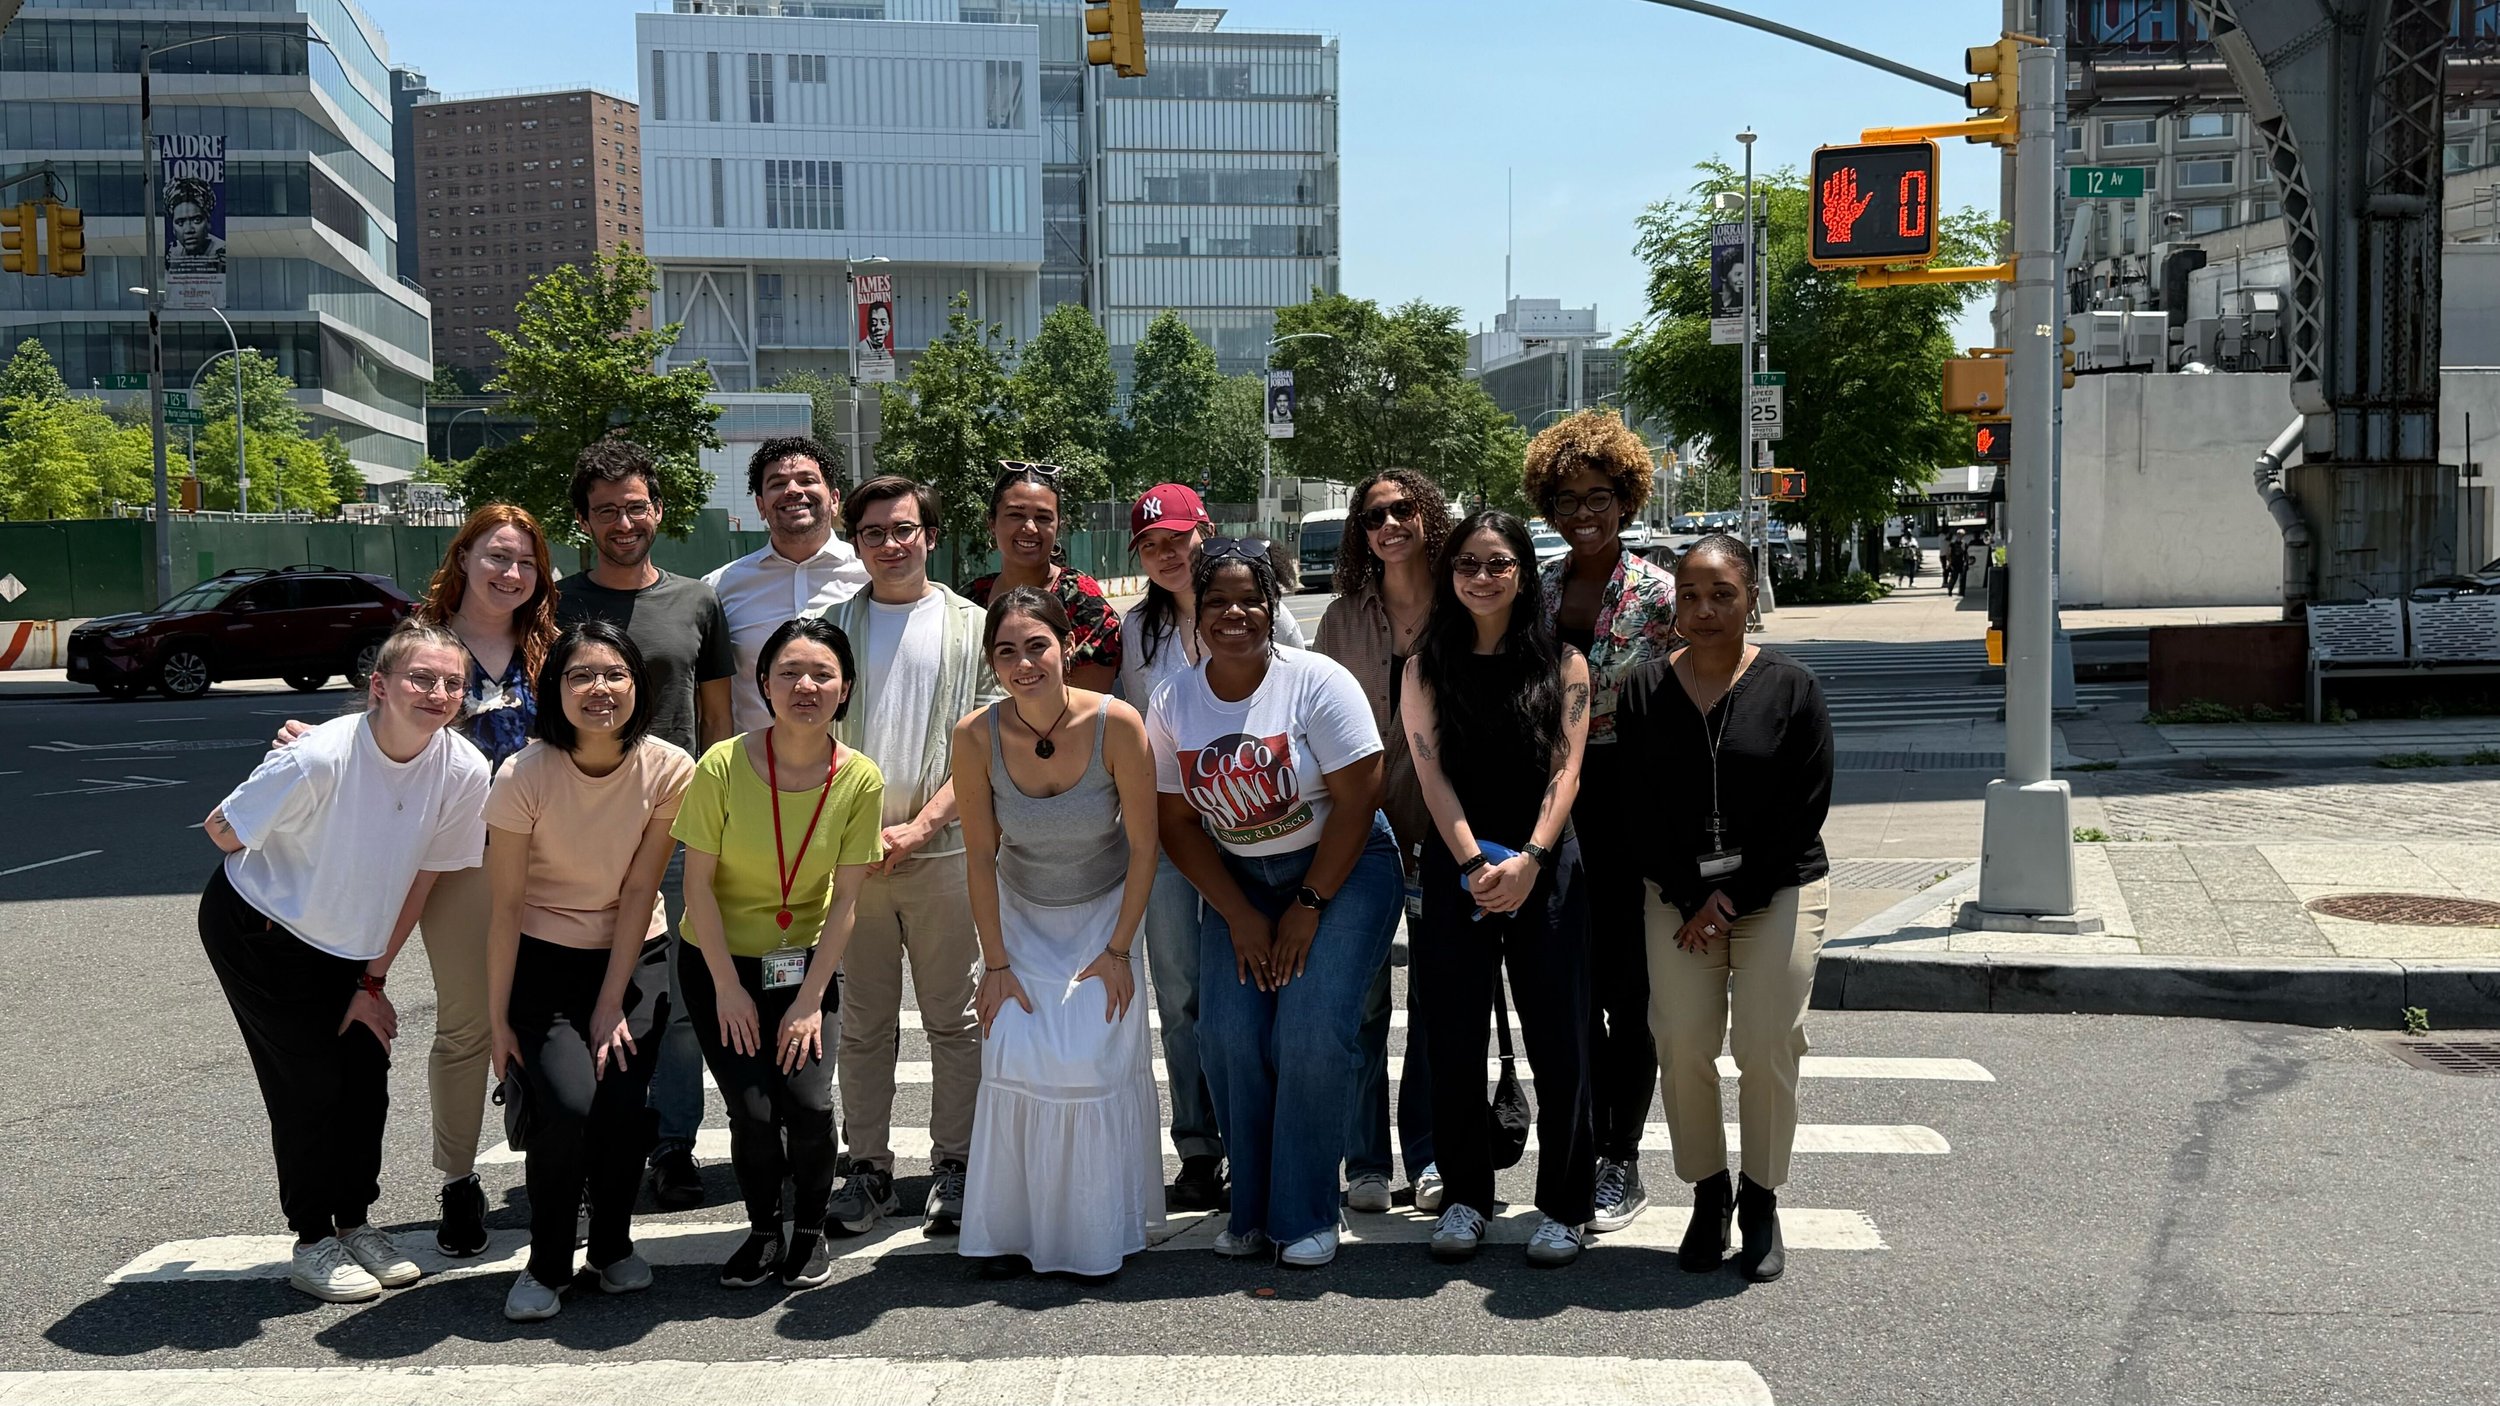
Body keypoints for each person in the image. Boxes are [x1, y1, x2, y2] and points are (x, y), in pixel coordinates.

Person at [278, 504, 561, 1257]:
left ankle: (560, 1163)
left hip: (549, 854)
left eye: (526, 562)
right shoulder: (426, 641)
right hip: (455, 856)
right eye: (496, 555)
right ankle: (459, 1179)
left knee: (550, 1013)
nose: (511, 573)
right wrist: (312, 737)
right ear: (463, 557)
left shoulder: (550, 648)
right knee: (468, 1019)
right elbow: (374, 724)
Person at [199, 621, 489, 1302]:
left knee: (364, 1073)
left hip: (349, 943)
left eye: (453, 683)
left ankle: (355, 1223)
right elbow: (221, 830)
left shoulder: (463, 770)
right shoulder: (320, 755)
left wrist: (371, 981)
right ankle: (312, 1239)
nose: (438, 693)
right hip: (262, 930)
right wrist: (288, 837)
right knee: (307, 1083)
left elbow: (422, 880)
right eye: (422, 678)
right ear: (379, 686)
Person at [1146, 538, 1403, 1268]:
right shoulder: (1173, 701)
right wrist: (1239, 914)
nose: (1234, 613)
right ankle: (1253, 1211)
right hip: (1241, 883)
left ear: (1272, 606)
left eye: (1250, 600)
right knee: (1228, 1037)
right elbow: (1176, 823)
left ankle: (1306, 1213)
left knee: (1310, 1032)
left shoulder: (1316, 682)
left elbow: (1360, 797)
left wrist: (1309, 904)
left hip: (1344, 871)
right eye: (1217, 600)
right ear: (1197, 611)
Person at [1616, 534, 1834, 1283]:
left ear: (1750, 598)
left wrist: (1731, 899)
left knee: (1767, 1042)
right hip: (1678, 897)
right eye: (1690, 595)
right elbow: (1636, 807)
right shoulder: (1644, 689)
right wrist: (1693, 896)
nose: (1704, 609)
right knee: (1680, 1040)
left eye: (1722, 594)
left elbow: (1805, 809)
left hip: (1779, 887)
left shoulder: (1792, 687)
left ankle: (1760, 1200)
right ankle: (1708, 1194)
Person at [483, 623, 695, 1320]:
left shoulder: (670, 768)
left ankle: (610, 1247)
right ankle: (546, 1264)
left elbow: (640, 890)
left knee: (622, 1109)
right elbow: (505, 906)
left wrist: (611, 1002)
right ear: (556, 690)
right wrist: (497, 1022)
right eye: (580, 676)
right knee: (567, 1107)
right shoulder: (523, 774)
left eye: (614, 675)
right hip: (543, 961)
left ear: (638, 685)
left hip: (635, 957)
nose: (599, 689)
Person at [1402, 511, 1596, 1267]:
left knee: (1561, 1039)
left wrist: (1530, 861)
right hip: (1459, 867)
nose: (1481, 578)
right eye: (1467, 564)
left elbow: (1566, 770)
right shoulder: (1426, 666)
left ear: (1523, 572)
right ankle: (1464, 1196)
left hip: (1545, 866)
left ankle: (1567, 1206)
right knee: (1451, 1039)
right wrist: (1473, 866)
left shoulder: (1564, 663)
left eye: (1498, 564)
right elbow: (1430, 774)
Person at [952, 588, 1164, 1278]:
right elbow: (978, 858)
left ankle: (1093, 1235)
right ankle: (1011, 1233)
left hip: (1106, 913)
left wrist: (1119, 951)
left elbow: (1145, 848)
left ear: (1066, 647)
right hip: (1019, 914)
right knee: (1014, 1054)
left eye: (1037, 645)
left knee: (1090, 1063)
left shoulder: (1117, 723)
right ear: (992, 663)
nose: (1024, 663)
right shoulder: (974, 736)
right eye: (1006, 652)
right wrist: (995, 964)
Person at [554, 438, 737, 1213]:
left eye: (635, 506)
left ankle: (673, 1145)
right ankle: (588, 1141)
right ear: (583, 520)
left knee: (678, 999)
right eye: (606, 510)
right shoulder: (556, 604)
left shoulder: (697, 603)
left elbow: (718, 723)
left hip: (678, 823)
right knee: (581, 987)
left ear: (659, 510)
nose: (623, 522)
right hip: (576, 827)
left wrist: (720, 820)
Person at [819, 475, 1004, 1236]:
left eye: (904, 529)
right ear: (855, 543)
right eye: (873, 533)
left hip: (945, 853)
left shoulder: (973, 626)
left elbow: (989, 740)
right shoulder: (830, 626)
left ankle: (956, 1166)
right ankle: (866, 1169)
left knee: (954, 1019)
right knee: (863, 1025)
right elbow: (807, 735)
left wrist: (922, 826)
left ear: (930, 534)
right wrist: (858, 835)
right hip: (854, 860)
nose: (890, 544)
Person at [674, 617, 883, 1290]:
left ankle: (811, 1230)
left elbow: (846, 902)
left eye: (822, 674)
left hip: (806, 963)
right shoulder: (721, 765)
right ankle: (765, 1230)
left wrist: (810, 1001)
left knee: (811, 1106)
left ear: (845, 688)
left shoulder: (860, 779)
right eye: (789, 672)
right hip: (718, 962)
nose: (805, 686)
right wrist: (727, 988)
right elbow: (697, 888)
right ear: (764, 683)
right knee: (755, 1112)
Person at [1117, 483, 1306, 1212]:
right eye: (1151, 546)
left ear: (1205, 532)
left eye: (1177, 539)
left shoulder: (1261, 607)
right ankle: (1199, 1145)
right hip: (1173, 831)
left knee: (1264, 976)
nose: (1166, 555)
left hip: (1260, 824)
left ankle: (1264, 1130)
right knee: (1181, 991)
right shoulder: (1139, 629)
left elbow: (1300, 695)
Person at [1524, 410, 1677, 1235]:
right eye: (1567, 500)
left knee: (1629, 992)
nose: (1583, 514)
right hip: (1551, 798)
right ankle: (1580, 1147)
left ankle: (1622, 1156)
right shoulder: (1537, 589)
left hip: (1629, 799)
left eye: (1598, 497)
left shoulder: (1660, 593)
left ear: (1626, 499)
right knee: (1567, 991)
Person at [1313, 467, 1450, 1216]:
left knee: (1434, 1003)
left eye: (1402, 510)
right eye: (1373, 516)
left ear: (1428, 515)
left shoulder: (1460, 603)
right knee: (1361, 1004)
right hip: (1359, 833)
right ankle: (1364, 1160)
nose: (1389, 525)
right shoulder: (1341, 620)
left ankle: (1427, 1155)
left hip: (1439, 831)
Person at [705, 436, 870, 735]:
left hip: (855, 761)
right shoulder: (720, 587)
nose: (793, 490)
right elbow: (711, 704)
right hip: (753, 762)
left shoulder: (870, 577)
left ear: (834, 499)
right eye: (778, 483)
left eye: (807, 480)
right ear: (760, 505)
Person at [964, 461, 1123, 694]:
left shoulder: (1081, 601)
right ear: (992, 524)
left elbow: (1089, 705)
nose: (1030, 527)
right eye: (1015, 515)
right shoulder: (970, 599)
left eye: (1043, 517)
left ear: (1059, 527)